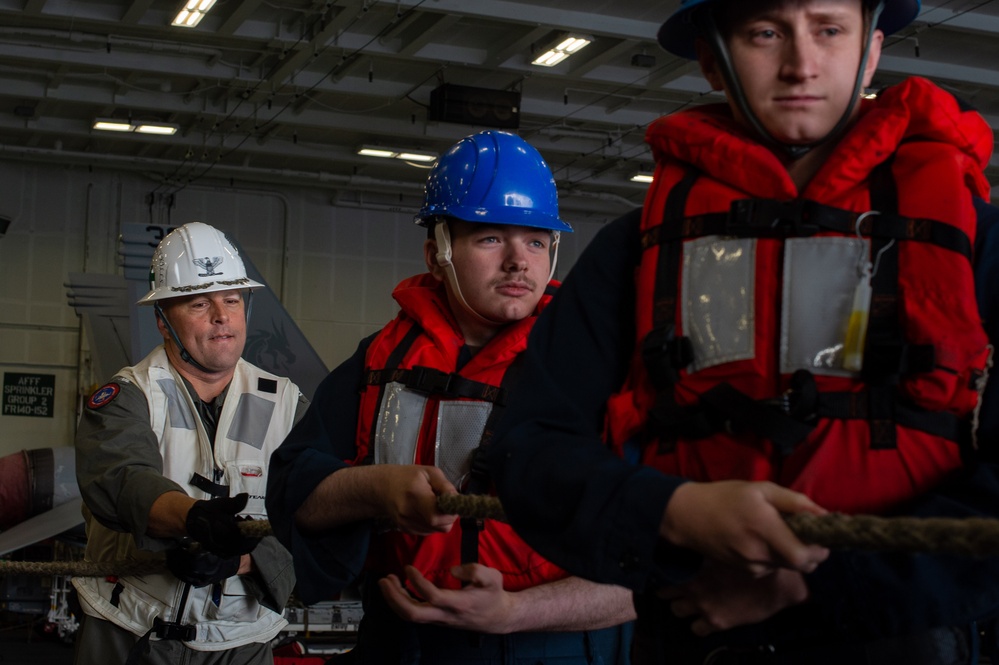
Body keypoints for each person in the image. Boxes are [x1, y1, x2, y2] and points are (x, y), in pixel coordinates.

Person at [484, 0, 999, 663]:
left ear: (869, 50)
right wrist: (673, 510)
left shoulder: (971, 241)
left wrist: (811, 585)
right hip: (692, 636)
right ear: (711, 61)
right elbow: (530, 452)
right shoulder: (635, 249)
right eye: (765, 32)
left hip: (906, 637)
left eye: (829, 29)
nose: (800, 65)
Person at [266, 130, 636, 664]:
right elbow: (295, 494)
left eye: (535, 240)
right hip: (400, 646)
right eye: (490, 238)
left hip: (558, 649)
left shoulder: (605, 370)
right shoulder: (381, 364)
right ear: (438, 251)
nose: (518, 261)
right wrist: (373, 487)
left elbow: (660, 563)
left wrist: (515, 612)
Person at [73, 222, 307, 665]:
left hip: (242, 640)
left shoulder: (288, 406)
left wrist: (239, 561)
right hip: (131, 628)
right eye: (200, 304)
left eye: (232, 300)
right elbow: (124, 479)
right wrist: (193, 519)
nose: (222, 316)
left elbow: (316, 515)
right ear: (163, 321)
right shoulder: (127, 398)